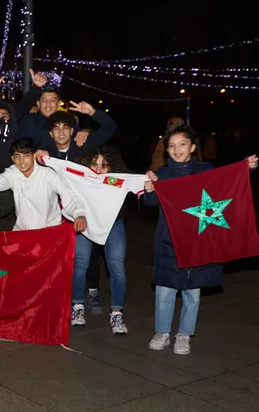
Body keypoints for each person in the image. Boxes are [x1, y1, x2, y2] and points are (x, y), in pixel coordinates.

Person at [143, 126, 257, 355]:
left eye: (182, 145)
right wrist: (149, 191)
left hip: (198, 243)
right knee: (165, 291)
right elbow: (150, 205)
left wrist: (245, 169)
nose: (177, 150)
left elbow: (226, 185)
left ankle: (184, 334)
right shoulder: (162, 173)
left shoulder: (205, 170)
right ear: (166, 150)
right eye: (172, 146)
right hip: (169, 241)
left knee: (191, 292)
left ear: (193, 147)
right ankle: (162, 332)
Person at [0, 136, 88, 233]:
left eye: (26, 156)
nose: (21, 161)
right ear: (12, 158)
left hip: (49, 233)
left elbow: (69, 196)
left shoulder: (48, 174)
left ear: (33, 156)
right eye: (17, 156)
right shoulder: (13, 173)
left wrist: (79, 214)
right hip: (22, 232)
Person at [71, 146, 132, 334]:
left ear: (112, 167)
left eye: (104, 165)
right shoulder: (79, 179)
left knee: (117, 268)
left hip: (114, 225)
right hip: (85, 224)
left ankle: (116, 313)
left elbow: (139, 182)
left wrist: (148, 180)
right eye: (94, 164)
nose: (98, 169)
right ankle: (77, 307)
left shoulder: (119, 180)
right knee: (79, 264)